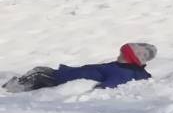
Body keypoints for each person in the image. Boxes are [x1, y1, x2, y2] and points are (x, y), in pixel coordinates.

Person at [3, 42, 157, 93]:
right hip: (67, 73)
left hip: (64, 78)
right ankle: (14, 86)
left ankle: (10, 89)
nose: (119, 55)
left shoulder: (123, 72)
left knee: (38, 74)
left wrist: (99, 89)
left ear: (132, 59)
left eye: (123, 54)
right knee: (40, 70)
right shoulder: (123, 67)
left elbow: (110, 85)